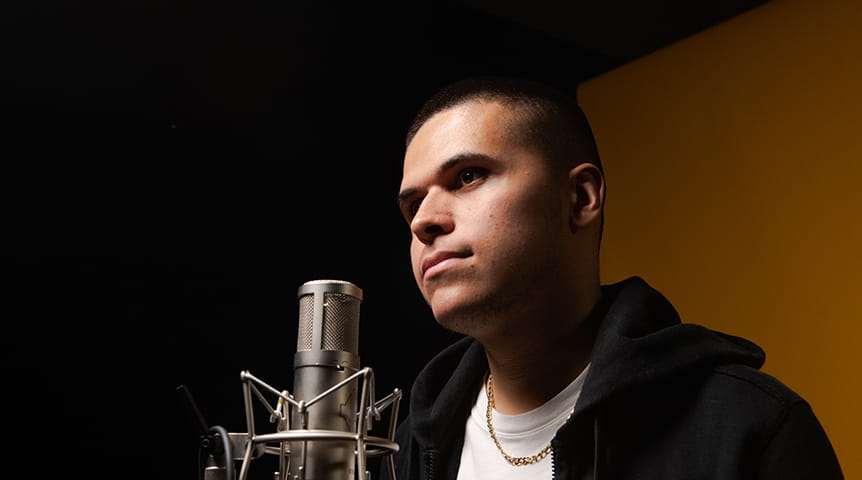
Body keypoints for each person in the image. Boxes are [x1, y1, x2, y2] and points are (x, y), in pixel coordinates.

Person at [389, 75, 843, 480]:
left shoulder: (751, 427)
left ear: (581, 199)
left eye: (468, 176)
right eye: (412, 204)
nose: (423, 221)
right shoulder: (404, 448)